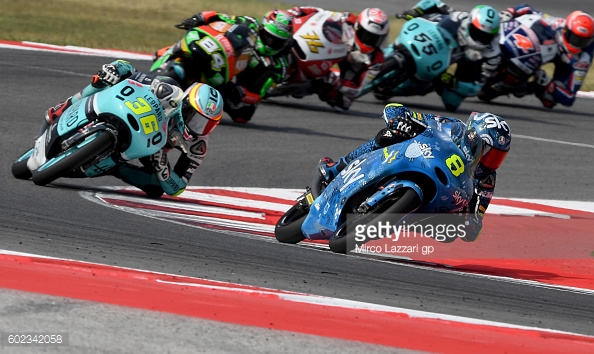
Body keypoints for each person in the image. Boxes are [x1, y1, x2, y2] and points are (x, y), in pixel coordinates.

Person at [318, 103, 511, 241]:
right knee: (391, 134)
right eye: (488, 153)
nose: (489, 162)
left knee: (451, 233)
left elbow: (476, 221)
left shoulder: (486, 178)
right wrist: (398, 119)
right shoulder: (449, 126)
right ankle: (339, 166)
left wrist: (471, 223)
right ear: (473, 137)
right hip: (412, 159)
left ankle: (393, 217)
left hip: (438, 202)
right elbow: (397, 109)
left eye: (497, 157)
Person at [43, 59, 224, 198]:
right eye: (196, 118)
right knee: (102, 80)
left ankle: (112, 166)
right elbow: (131, 71)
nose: (198, 127)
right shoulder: (168, 89)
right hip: (135, 113)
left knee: (156, 189)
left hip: (152, 149)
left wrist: (163, 168)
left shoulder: (197, 146)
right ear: (185, 104)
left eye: (207, 124)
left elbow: (178, 188)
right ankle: (66, 105)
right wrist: (114, 70)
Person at [173, 10, 294, 123]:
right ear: (261, 28)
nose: (270, 44)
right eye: (267, 37)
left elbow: (260, 94)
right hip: (222, 59)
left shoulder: (279, 65)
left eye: (277, 41)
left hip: (238, 85)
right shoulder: (249, 23)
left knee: (243, 115)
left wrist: (241, 92)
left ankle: (194, 107)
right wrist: (198, 18)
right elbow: (219, 17)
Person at [395, 1, 502, 112]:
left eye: (485, 36)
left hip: (462, 70)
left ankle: (426, 85)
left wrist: (455, 83)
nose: (480, 39)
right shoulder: (460, 17)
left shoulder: (493, 56)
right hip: (441, 46)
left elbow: (478, 86)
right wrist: (416, 11)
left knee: (452, 102)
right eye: (477, 33)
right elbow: (434, 2)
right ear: (470, 23)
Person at [286, 6, 390, 111]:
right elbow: (322, 13)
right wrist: (300, 11)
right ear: (358, 27)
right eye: (367, 35)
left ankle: (309, 86)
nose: (370, 41)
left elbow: (357, 90)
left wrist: (337, 82)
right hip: (328, 48)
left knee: (344, 102)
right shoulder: (348, 19)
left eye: (376, 38)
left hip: (345, 75)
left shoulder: (377, 61)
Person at [498, 5, 594, 108]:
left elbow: (569, 97)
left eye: (583, 41)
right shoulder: (557, 24)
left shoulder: (584, 58)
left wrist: (547, 83)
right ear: (566, 30)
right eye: (575, 38)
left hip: (565, 62)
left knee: (550, 101)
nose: (578, 43)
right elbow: (529, 9)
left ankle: (527, 86)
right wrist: (510, 12)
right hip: (542, 48)